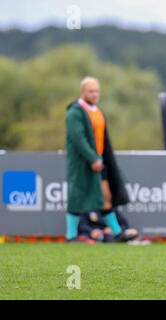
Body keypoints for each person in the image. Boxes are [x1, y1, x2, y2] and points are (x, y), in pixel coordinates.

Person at [65, 77, 133, 243]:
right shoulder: (75, 111)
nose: (95, 94)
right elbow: (78, 138)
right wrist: (92, 158)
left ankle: (117, 232)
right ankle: (71, 236)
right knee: (77, 196)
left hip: (100, 160)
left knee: (106, 196)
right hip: (83, 162)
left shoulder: (97, 110)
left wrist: (101, 158)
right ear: (82, 92)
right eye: (91, 91)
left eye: (97, 91)